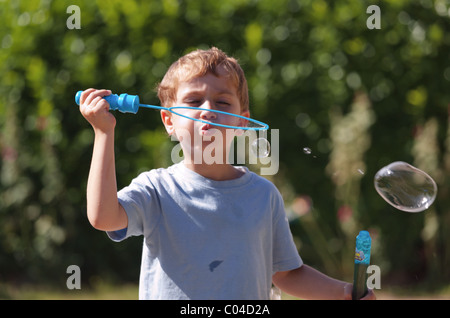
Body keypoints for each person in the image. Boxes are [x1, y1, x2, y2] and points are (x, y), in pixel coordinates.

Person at [78, 47, 375, 300]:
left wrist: (343, 292)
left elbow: (285, 272)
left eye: (222, 102)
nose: (208, 110)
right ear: (169, 121)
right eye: (194, 101)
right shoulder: (156, 189)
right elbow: (103, 217)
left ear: (242, 123)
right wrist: (104, 134)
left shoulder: (264, 196)